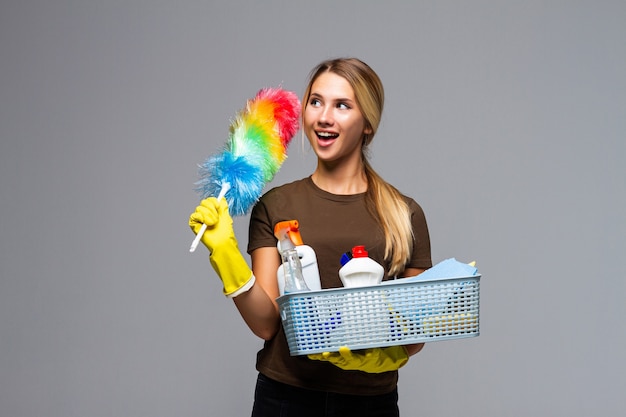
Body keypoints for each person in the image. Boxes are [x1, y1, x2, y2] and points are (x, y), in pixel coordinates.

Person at [189, 57, 432, 417]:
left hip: (370, 403)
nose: (323, 117)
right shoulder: (276, 204)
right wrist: (225, 255)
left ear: (368, 124)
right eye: (316, 102)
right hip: (286, 398)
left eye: (342, 105)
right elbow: (267, 324)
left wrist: (382, 350)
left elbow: (414, 337)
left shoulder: (404, 213)